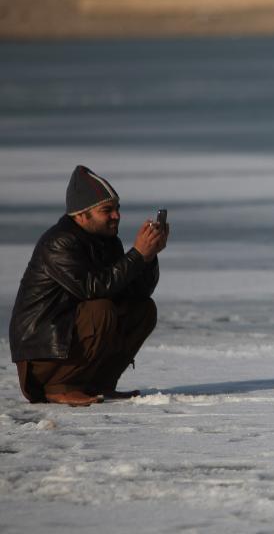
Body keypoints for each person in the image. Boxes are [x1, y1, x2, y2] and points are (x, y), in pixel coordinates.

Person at [8, 165, 168, 406]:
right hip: (43, 354)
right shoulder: (60, 242)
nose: (116, 216)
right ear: (81, 215)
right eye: (107, 210)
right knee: (99, 310)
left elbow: (135, 292)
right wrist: (136, 254)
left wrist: (148, 256)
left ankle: (99, 384)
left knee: (142, 309)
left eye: (117, 209)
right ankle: (59, 387)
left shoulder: (106, 241)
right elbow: (92, 289)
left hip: (66, 344)